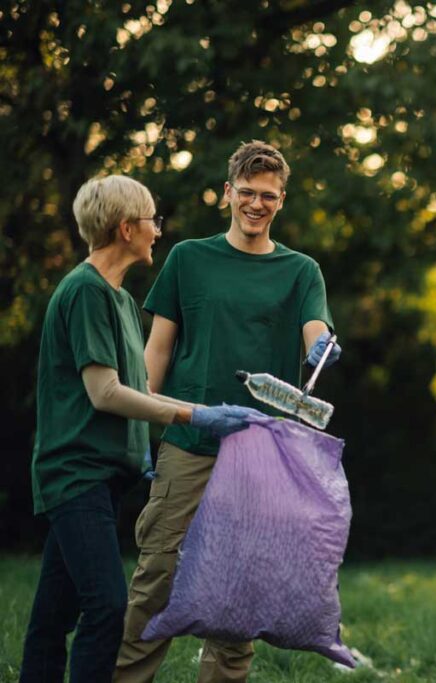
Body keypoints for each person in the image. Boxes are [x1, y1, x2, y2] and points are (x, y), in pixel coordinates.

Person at [115, 141, 340, 683]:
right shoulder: (189, 259)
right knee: (157, 577)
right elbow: (158, 351)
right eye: (246, 192)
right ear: (227, 194)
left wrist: (322, 344)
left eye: (268, 195)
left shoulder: (300, 270)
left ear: (281, 200)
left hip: (261, 454)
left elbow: (317, 327)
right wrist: (138, 430)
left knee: (239, 594)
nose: (256, 204)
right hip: (187, 442)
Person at [20, 176, 258, 683]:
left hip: (105, 477)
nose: (157, 231)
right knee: (107, 608)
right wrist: (196, 417)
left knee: (51, 616)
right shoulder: (85, 291)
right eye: (152, 220)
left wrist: (206, 410)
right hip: (76, 473)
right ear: (126, 228)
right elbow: (103, 392)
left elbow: (140, 391)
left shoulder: (122, 301)